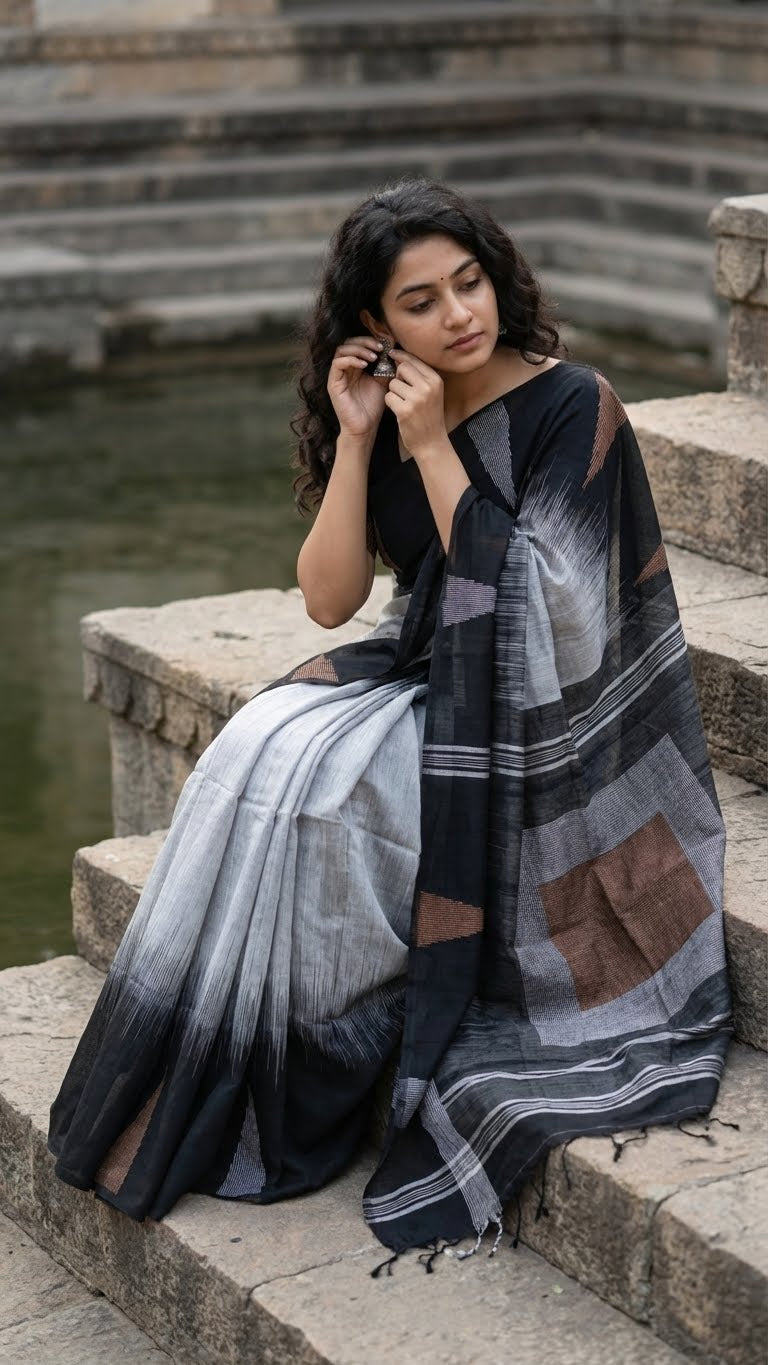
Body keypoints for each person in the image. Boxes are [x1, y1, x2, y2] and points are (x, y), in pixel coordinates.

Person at [47, 180, 731, 1265]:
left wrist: (433, 444)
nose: (461, 314)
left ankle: (306, 1076)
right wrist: (365, 437)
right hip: (425, 673)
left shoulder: (572, 404)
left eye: (470, 283)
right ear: (375, 324)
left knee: (326, 805)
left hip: (544, 714)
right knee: (249, 755)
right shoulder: (389, 410)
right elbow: (326, 599)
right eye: (422, 301)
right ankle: (217, 1067)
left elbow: (547, 611)